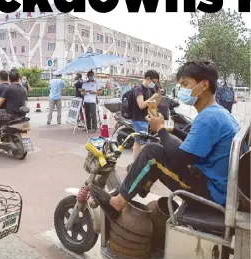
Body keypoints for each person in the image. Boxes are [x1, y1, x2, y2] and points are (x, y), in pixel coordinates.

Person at [89, 61, 239, 221]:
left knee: (151, 152)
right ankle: (143, 185)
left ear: (204, 85)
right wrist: (171, 130)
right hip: (221, 188)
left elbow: (181, 158)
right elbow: (193, 143)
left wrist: (160, 128)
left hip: (211, 194)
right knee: (162, 145)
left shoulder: (208, 117)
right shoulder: (219, 113)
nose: (182, 90)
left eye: (186, 84)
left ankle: (116, 204)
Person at [131, 70, 161, 160]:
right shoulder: (139, 89)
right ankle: (143, 164)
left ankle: (135, 162)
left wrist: (159, 96)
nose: (154, 84)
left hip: (144, 119)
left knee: (137, 142)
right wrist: (153, 97)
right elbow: (141, 105)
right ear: (148, 79)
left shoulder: (148, 90)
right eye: (154, 82)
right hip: (139, 119)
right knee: (144, 144)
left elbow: (153, 104)